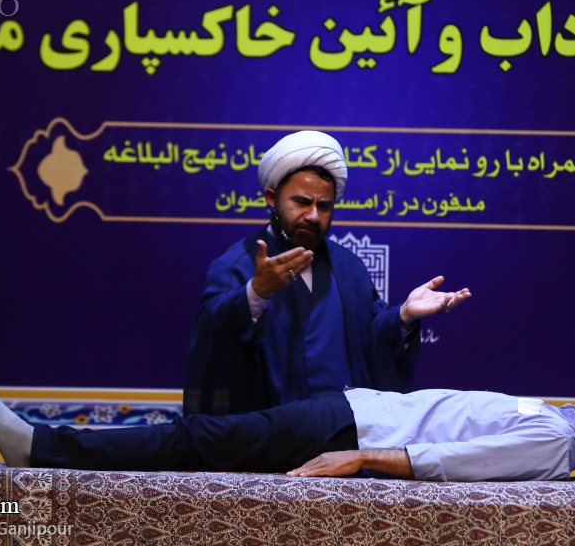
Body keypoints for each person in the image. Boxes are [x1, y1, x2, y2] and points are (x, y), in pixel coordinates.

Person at [185, 130, 471, 415]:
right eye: (301, 202)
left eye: (324, 206)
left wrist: (403, 316)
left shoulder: (348, 266)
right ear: (272, 198)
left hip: (343, 432)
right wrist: (254, 294)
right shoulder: (237, 265)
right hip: (272, 436)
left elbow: (370, 339)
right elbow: (210, 342)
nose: (313, 216)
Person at [0, 381, 575, 483]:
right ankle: (44, 448)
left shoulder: (553, 444)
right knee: (198, 440)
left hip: (350, 428)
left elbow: (450, 460)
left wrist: (358, 457)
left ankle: (39, 448)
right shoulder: (557, 429)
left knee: (193, 440)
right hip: (353, 411)